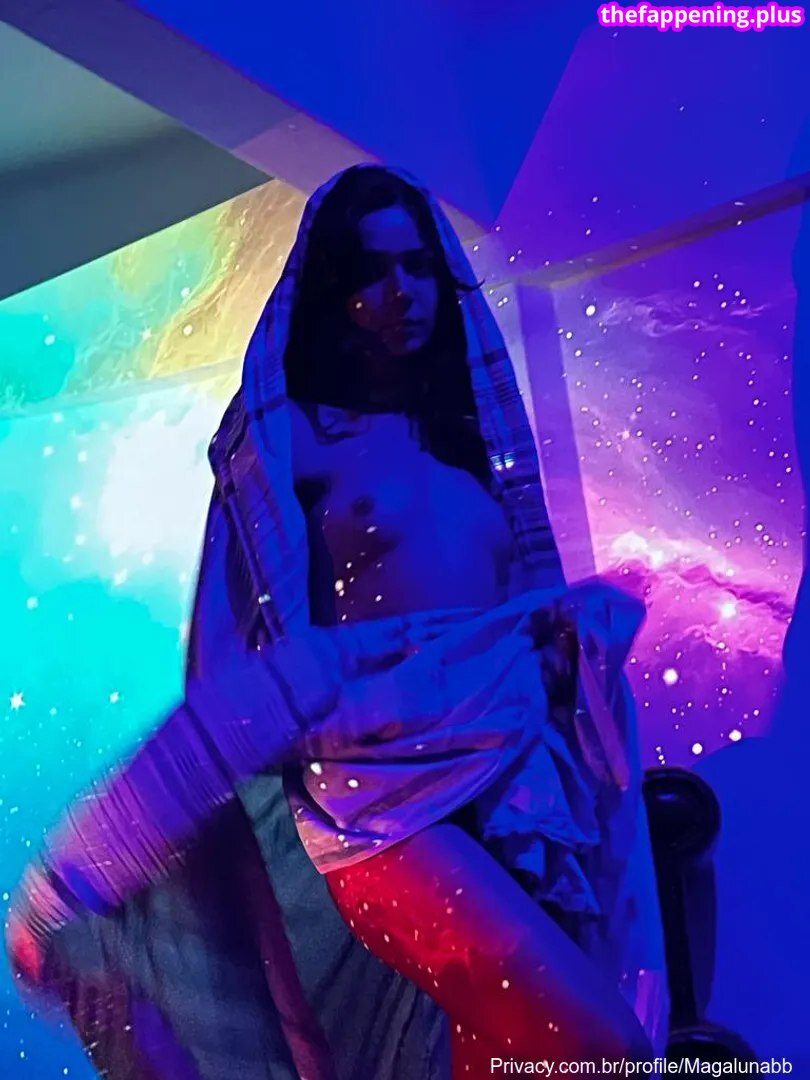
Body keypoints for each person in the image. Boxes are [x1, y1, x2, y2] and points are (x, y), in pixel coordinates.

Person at [6, 164, 669, 1078]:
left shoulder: (470, 456)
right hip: (383, 814)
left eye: (418, 266)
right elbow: (235, 674)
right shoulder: (293, 444)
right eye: (371, 271)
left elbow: (506, 619)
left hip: (511, 785)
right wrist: (98, 865)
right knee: (605, 1051)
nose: (401, 293)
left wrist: (562, 648)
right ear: (332, 294)